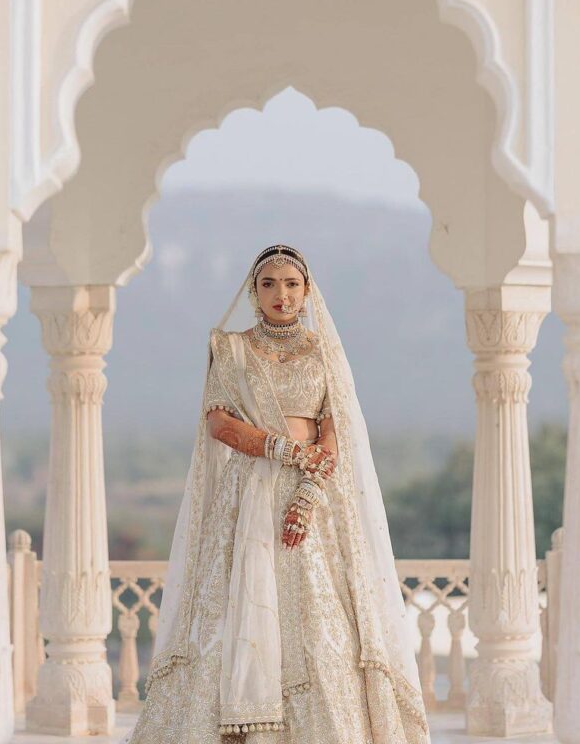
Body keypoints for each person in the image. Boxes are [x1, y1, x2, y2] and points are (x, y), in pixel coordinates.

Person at [125, 243, 430, 744]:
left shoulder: (323, 352)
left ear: (307, 292)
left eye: (291, 284)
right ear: (254, 292)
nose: (281, 294)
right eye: (269, 284)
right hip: (247, 494)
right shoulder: (230, 348)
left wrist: (308, 492)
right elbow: (219, 421)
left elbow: (335, 431)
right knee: (234, 605)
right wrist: (282, 451)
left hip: (311, 495)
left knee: (317, 615)